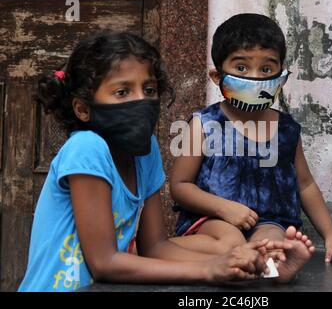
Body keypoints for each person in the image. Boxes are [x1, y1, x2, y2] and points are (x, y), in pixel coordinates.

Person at [18, 32, 288, 292]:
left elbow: (157, 246)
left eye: (149, 89)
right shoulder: (87, 147)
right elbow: (104, 262)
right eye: (122, 92)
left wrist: (247, 264)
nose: (141, 100)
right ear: (83, 109)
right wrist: (208, 270)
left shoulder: (145, 152)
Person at [170, 13, 332, 283]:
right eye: (241, 68)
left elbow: (305, 184)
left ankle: (273, 271)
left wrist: (331, 236)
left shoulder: (286, 129)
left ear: (281, 77)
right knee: (231, 241)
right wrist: (224, 208)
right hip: (212, 220)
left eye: (266, 70)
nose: (255, 77)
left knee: (274, 244)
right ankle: (158, 250)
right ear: (218, 76)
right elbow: (180, 186)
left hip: (269, 220)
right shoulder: (204, 124)